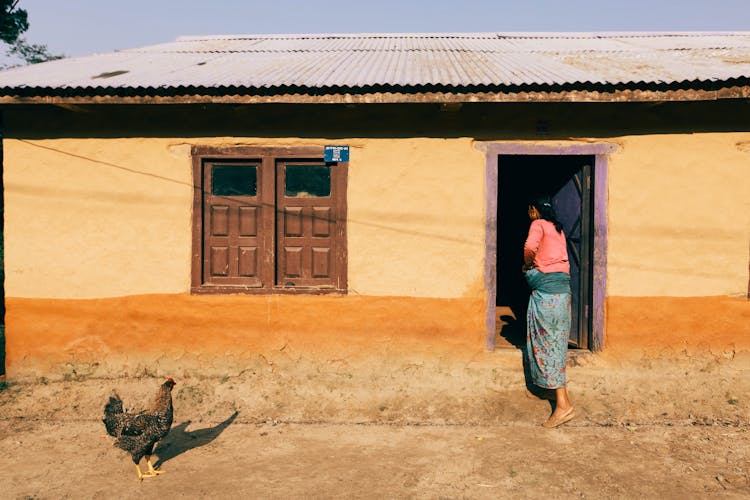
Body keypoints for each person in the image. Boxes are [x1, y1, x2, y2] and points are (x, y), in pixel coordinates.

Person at [522, 196, 575, 428]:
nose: (528, 214)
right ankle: (549, 390)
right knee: (556, 341)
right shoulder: (558, 228)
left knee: (547, 342)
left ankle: (563, 404)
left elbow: (529, 247)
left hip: (547, 292)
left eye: (529, 209)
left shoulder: (538, 224)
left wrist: (527, 265)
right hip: (563, 292)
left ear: (534, 210)